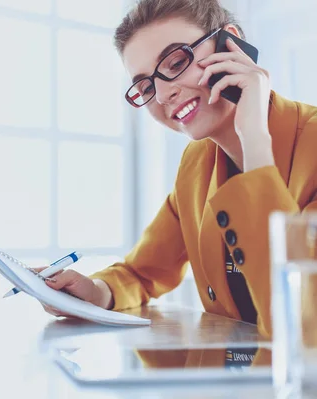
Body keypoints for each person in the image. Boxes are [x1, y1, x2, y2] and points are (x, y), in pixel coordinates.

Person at [38, 0, 317, 338]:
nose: (164, 93)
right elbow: (142, 272)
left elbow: (303, 319)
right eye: (145, 87)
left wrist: (255, 139)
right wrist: (96, 292)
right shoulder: (197, 164)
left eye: (176, 62)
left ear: (230, 44)